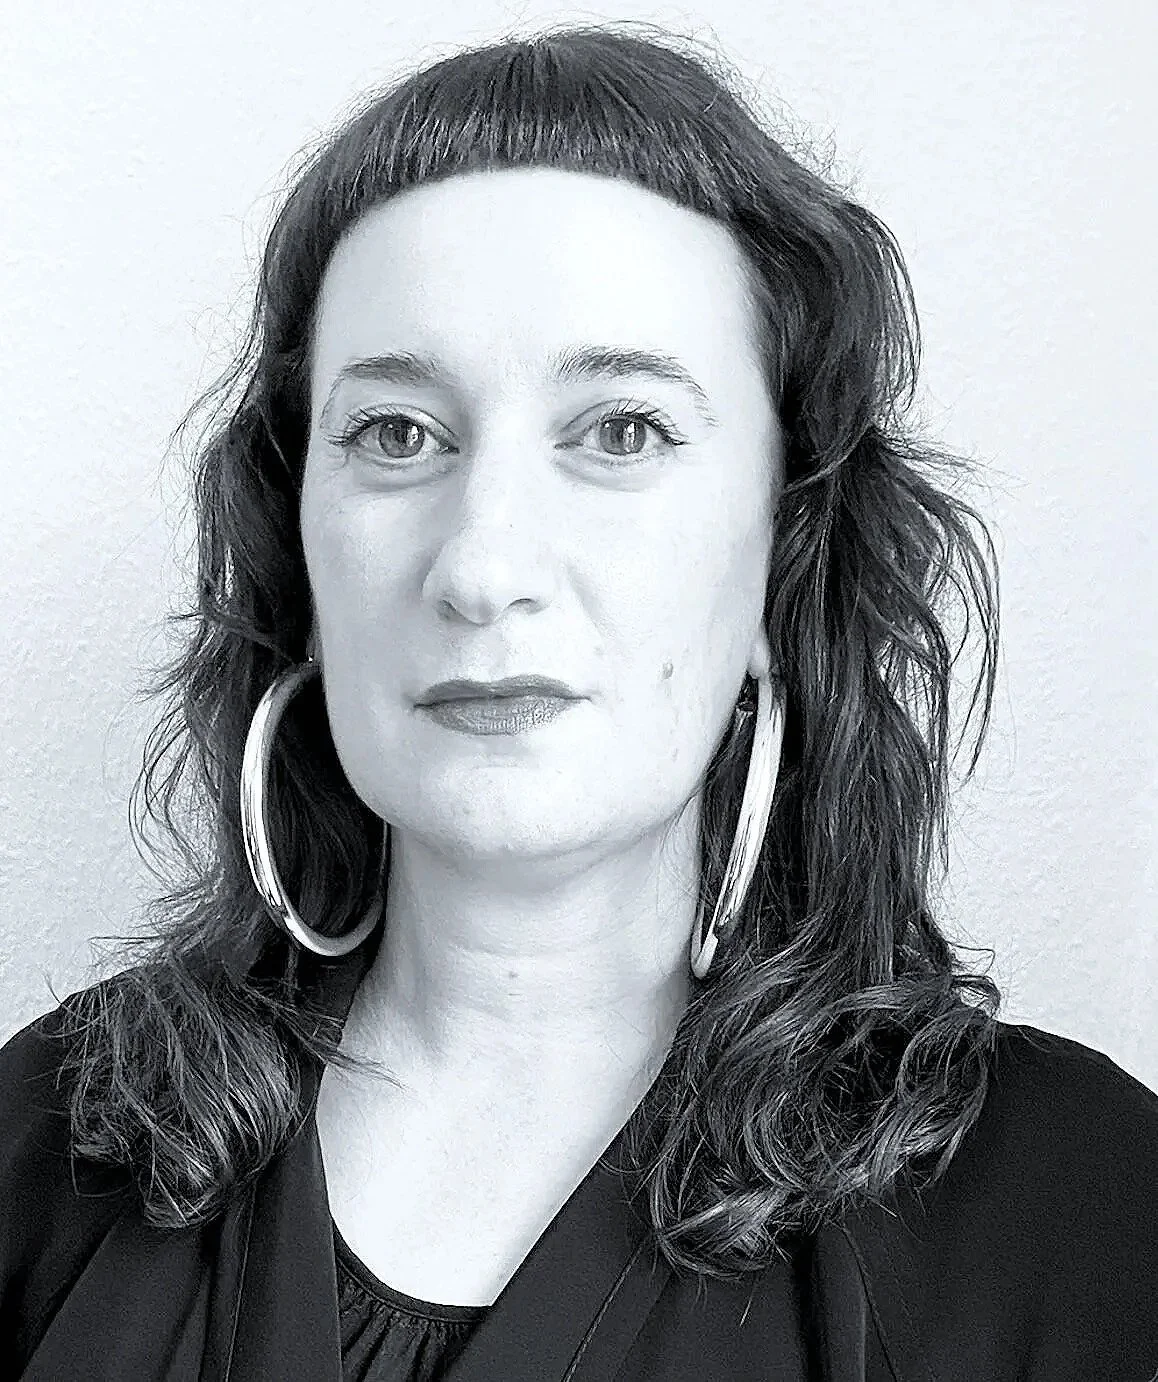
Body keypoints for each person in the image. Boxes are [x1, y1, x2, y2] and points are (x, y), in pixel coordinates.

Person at [2, 22, 1156, 1382]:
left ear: (784, 543)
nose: (483, 565)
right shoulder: (47, 1144)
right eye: (394, 433)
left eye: (621, 430)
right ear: (294, 540)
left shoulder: (1077, 1215)